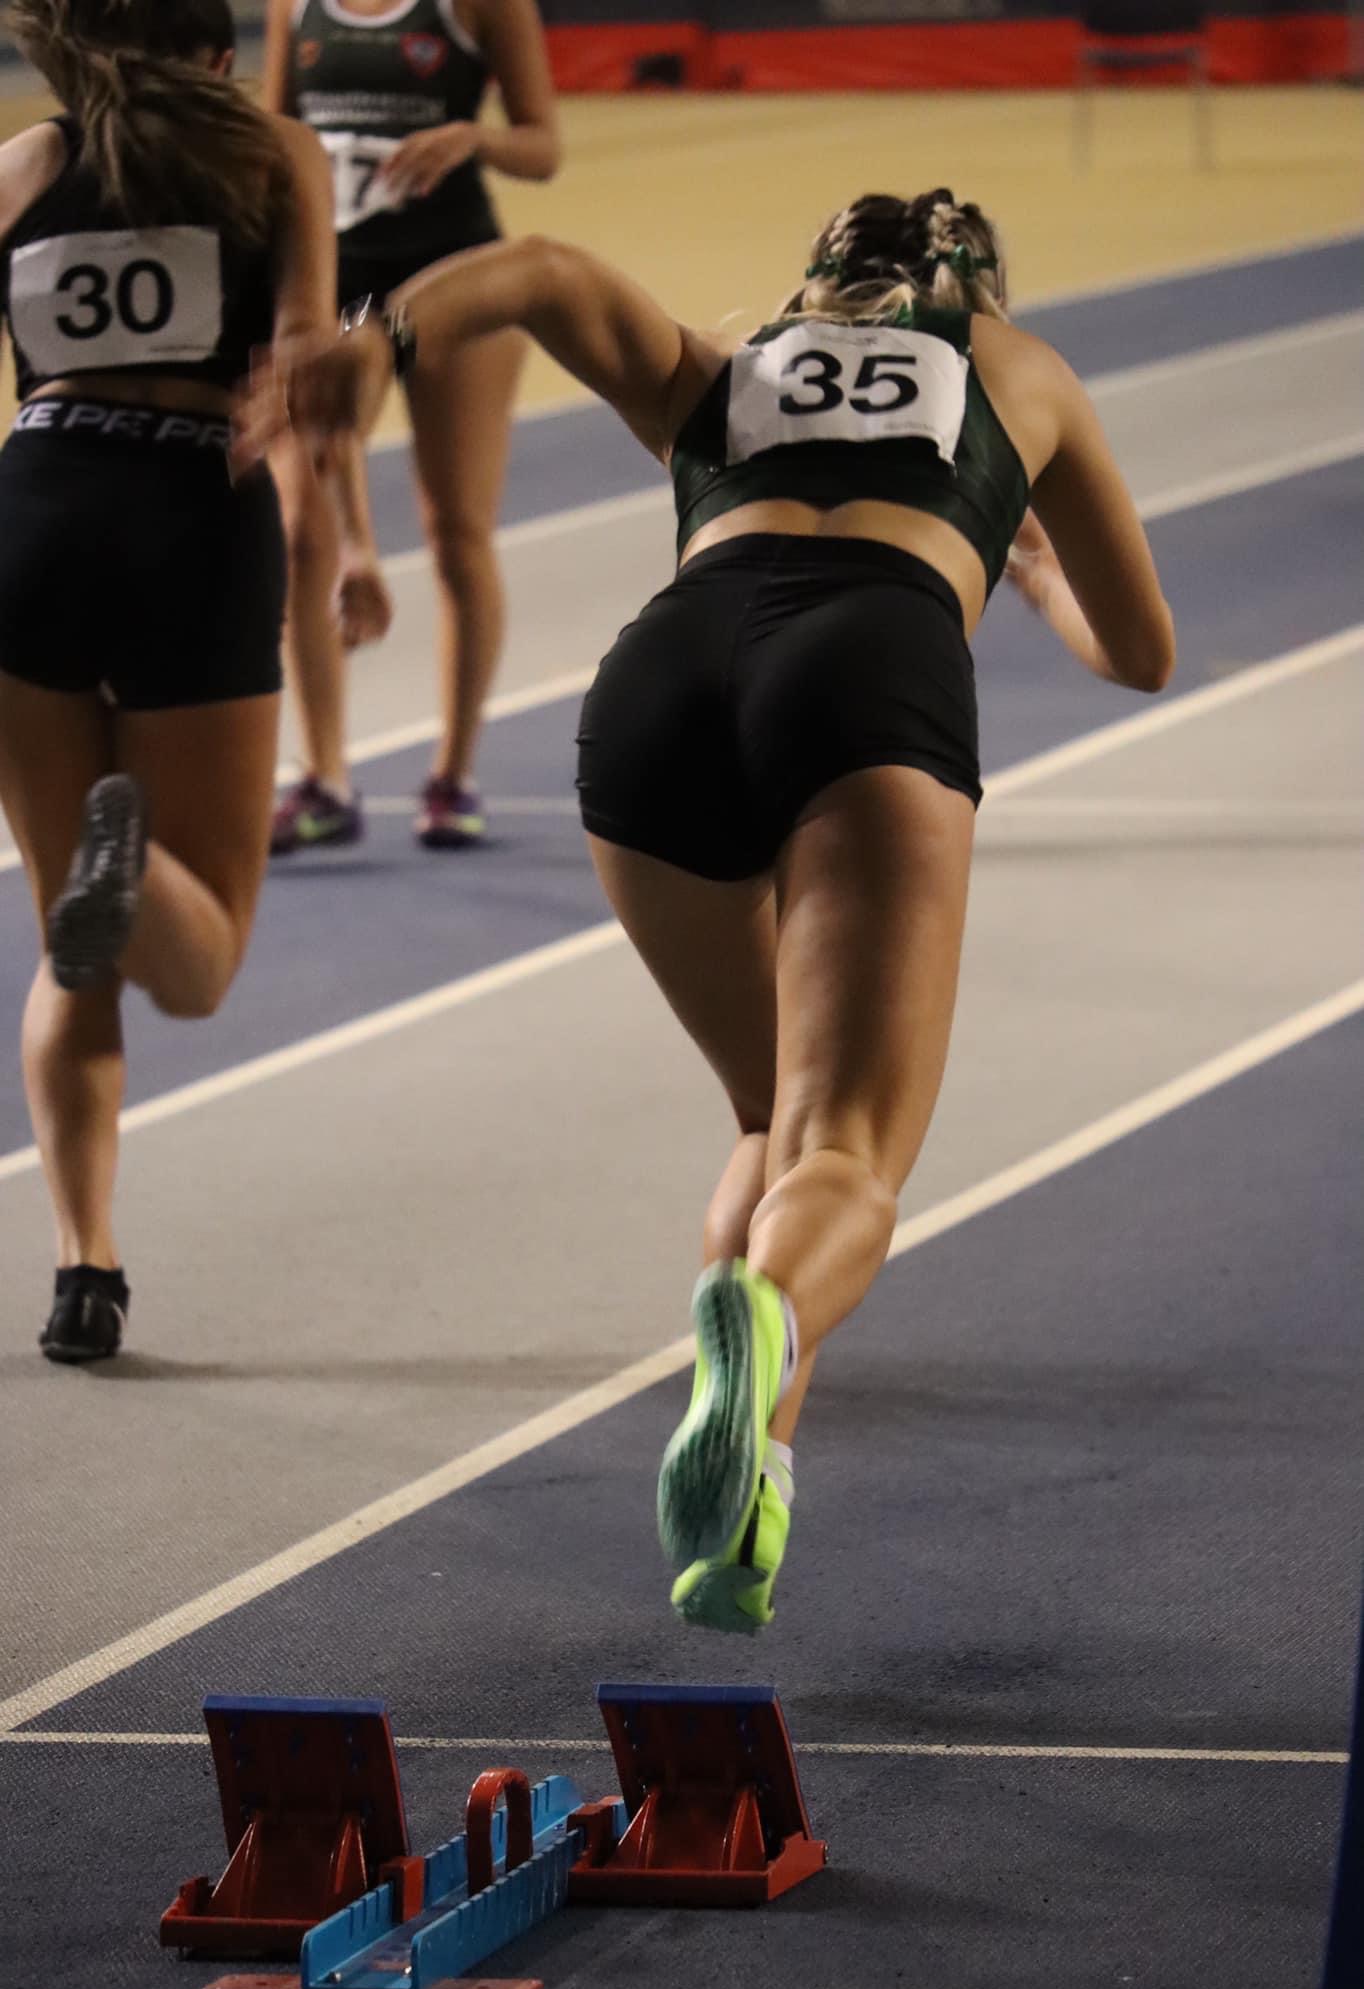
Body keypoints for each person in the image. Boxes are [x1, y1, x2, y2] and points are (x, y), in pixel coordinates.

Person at [239, 187, 1175, 1630]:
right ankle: (766, 1313)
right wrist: (1030, 561)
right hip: (871, 664)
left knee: (767, 1119)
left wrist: (383, 338)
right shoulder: (1016, 367)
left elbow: (544, 268)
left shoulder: (721, 365)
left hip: (657, 685)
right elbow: (1143, 650)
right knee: (844, 1150)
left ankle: (748, 1496)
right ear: (975, 284)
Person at [0, 0, 343, 1363]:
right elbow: (307, 362)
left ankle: (85, 1265)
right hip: (193, 512)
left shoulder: (27, 163)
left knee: (69, 952)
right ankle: (130, 863)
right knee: (197, 970)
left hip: (31, 511)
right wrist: (335, 536)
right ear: (217, 55)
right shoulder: (273, 151)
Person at [260, 0, 560, 852]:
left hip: (454, 269)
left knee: (456, 529)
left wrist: (473, 139)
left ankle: (453, 774)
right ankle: (324, 777)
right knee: (301, 532)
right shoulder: (294, 4)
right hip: (325, 272)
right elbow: (272, 137)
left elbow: (543, 147)